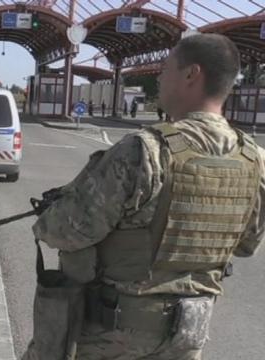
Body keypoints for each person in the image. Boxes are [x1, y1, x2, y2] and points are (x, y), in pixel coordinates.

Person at [25, 34, 265, 360]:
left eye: (166, 69)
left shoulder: (145, 151)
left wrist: (46, 220)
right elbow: (248, 244)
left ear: (191, 74)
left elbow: (71, 230)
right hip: (188, 333)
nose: (159, 76)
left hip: (113, 334)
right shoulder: (255, 159)